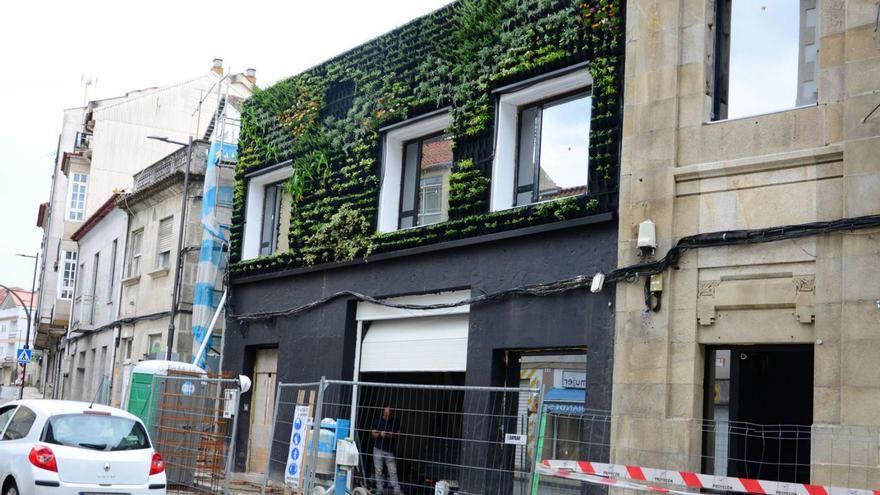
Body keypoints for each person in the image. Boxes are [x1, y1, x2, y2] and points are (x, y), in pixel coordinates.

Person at [372, 406, 403, 495]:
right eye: (385, 415)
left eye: (388, 416)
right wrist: (380, 434)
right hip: (378, 449)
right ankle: (379, 490)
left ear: (392, 415)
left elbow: (398, 434)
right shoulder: (378, 421)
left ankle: (397, 490)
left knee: (393, 471)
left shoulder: (395, 421)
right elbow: (373, 433)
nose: (386, 417)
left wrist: (391, 434)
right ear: (383, 414)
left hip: (390, 451)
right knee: (378, 471)